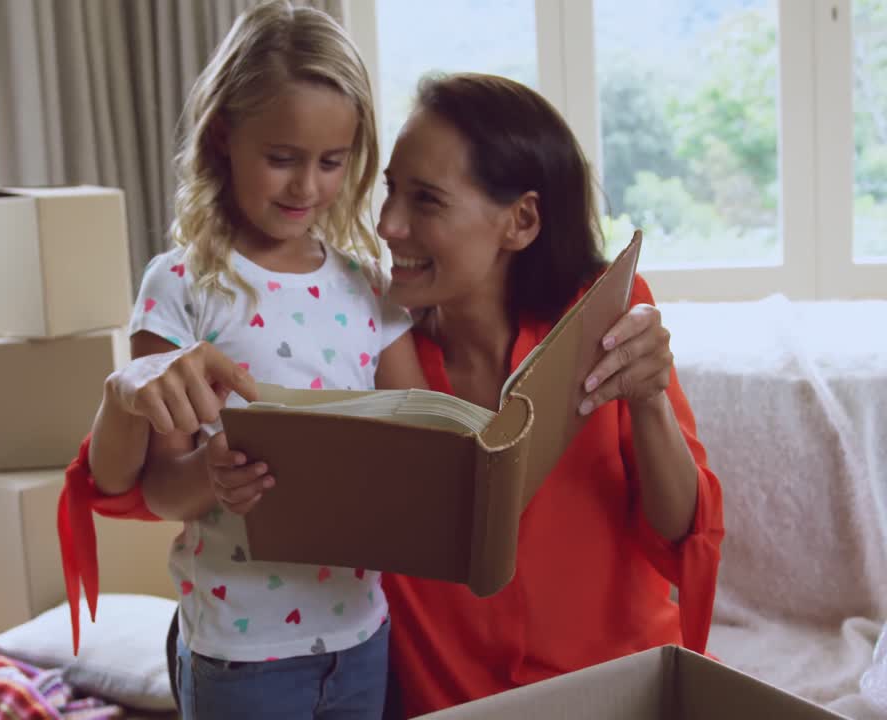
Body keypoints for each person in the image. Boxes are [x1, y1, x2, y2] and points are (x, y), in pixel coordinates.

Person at [61, 69, 724, 720]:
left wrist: (649, 398)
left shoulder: (602, 318)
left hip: (617, 689)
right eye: (389, 192)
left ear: (521, 221)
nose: (387, 225)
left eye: (426, 201)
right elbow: (151, 484)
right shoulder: (369, 356)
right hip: (439, 698)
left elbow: (680, 531)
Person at [59, 2, 428, 718]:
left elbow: (422, 438)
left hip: (362, 630)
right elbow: (159, 490)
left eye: (332, 162)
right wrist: (212, 476)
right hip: (241, 651)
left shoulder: (369, 287)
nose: (307, 188)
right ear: (224, 136)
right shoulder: (179, 285)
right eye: (282, 159)